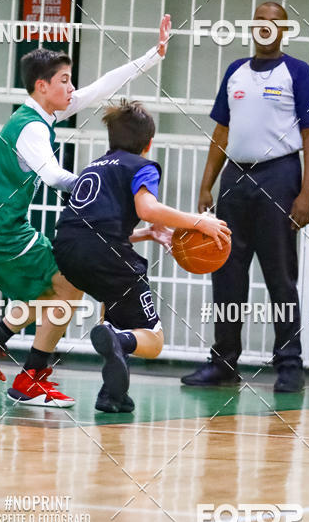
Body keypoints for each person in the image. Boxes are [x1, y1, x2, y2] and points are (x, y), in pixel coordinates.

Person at [0, 15, 171, 407]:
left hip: (0, 225)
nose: (72, 89)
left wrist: (151, 57)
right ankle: (25, 375)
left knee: (55, 290)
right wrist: (105, 186)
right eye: (64, 81)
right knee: (68, 286)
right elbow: (55, 176)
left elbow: (102, 88)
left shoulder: (42, 116)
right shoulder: (31, 128)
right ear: (42, 86)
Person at [181, 1, 309, 393]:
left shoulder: (298, 72)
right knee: (226, 272)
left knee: (280, 275)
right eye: (258, 20)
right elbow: (221, 131)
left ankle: (290, 364)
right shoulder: (235, 72)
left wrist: (306, 193)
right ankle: (224, 362)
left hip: (279, 176)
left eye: (273, 21)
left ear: (284, 29)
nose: (264, 26)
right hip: (235, 178)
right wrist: (206, 184)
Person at [53, 99, 231, 413]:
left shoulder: (94, 166)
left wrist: (146, 234)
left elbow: (92, 227)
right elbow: (146, 209)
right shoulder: (142, 166)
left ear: (111, 140)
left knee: (116, 310)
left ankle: (112, 395)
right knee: (152, 336)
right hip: (103, 252)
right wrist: (198, 220)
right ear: (148, 144)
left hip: (66, 250)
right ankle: (119, 342)